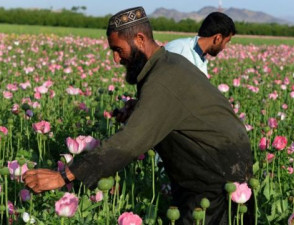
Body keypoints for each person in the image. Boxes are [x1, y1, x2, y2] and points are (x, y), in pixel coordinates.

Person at [23, 7, 253, 225]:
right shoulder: (166, 64)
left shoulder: (163, 78)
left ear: (140, 40)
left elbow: (129, 142)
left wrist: (64, 176)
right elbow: (178, 109)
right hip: (214, 165)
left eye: (118, 49)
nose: (116, 59)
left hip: (217, 173)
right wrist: (140, 108)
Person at [165, 12, 235, 75]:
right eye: (226, 42)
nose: (224, 47)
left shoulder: (200, 56)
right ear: (218, 38)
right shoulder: (179, 49)